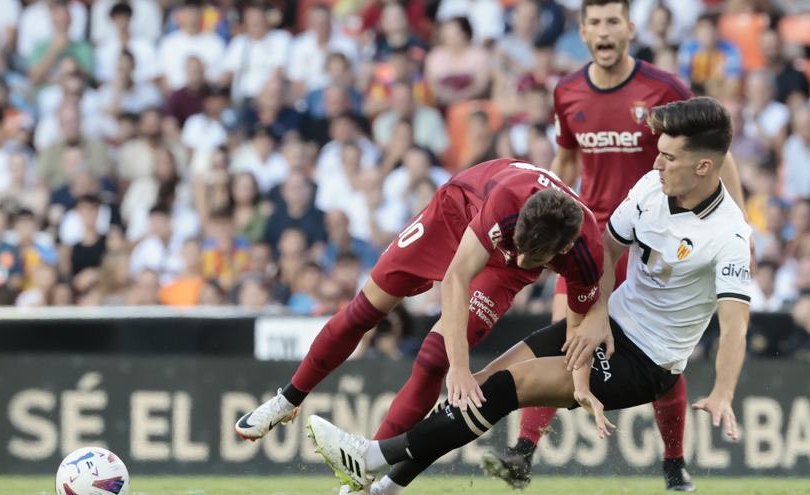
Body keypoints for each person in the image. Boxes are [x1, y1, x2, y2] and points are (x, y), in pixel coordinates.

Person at [309, 96, 752, 495]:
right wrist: (597, 313)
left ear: (704, 167)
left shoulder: (729, 236)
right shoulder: (653, 187)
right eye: (658, 153)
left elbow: (735, 328)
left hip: (647, 362)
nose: (657, 164)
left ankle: (370, 456)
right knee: (474, 391)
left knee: (508, 387)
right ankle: (383, 489)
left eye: (669, 157)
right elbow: (608, 249)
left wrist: (723, 393)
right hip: (608, 327)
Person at [486, 1, 748, 490]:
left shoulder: (665, 89)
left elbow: (711, 150)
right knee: (567, 336)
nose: (604, 31)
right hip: (591, 241)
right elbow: (565, 163)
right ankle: (523, 452)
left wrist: (738, 219)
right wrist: (550, 219)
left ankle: (673, 463)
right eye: (595, 22)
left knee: (660, 359)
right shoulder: (567, 91)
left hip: (655, 238)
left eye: (613, 21)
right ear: (583, 32)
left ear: (629, 29)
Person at [235, 158, 611, 471]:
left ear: (563, 247)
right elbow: (456, 278)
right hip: (455, 213)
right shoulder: (507, 199)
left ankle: (365, 469)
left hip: (502, 268)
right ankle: (287, 401)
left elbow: (575, 330)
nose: (529, 261)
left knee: (434, 358)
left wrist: (579, 385)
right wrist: (461, 369)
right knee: (364, 311)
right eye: (524, 249)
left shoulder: (586, 253)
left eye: (539, 261)